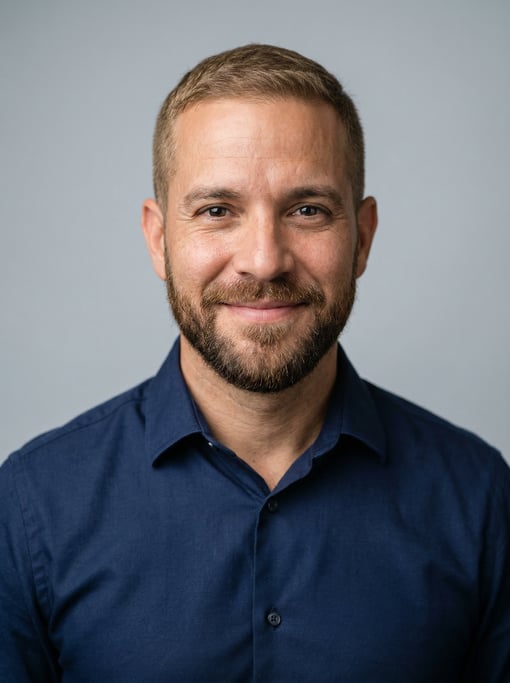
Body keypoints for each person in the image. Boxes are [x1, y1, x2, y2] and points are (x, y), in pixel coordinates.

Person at [1, 44, 509, 683]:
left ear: (363, 236)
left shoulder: (481, 499)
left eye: (308, 211)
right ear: (159, 239)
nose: (264, 260)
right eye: (218, 211)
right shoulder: (31, 505)